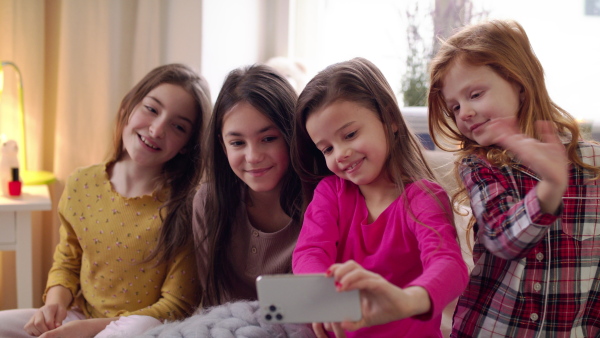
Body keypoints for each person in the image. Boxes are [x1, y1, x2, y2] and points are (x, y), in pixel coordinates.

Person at [0, 63, 212, 338]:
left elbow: (176, 306)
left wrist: (86, 331)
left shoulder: (187, 206)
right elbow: (68, 262)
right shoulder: (81, 184)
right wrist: (54, 306)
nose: (157, 130)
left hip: (142, 329)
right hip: (80, 318)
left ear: (187, 145)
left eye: (178, 126)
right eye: (151, 109)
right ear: (128, 107)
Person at [427, 20, 600, 337]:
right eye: (454, 107)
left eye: (475, 94)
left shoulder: (594, 165)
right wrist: (549, 190)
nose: (463, 112)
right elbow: (501, 238)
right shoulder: (478, 165)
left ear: (519, 82)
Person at [291, 57, 468, 338]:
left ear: (390, 120)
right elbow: (310, 252)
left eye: (349, 134)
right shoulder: (330, 193)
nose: (340, 154)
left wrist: (405, 301)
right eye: (326, 149)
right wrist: (320, 294)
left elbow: (449, 265)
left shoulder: (422, 197)